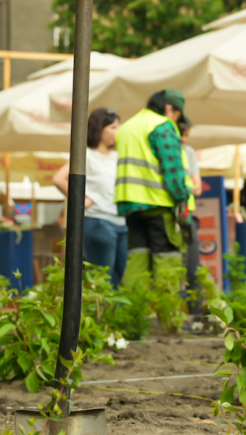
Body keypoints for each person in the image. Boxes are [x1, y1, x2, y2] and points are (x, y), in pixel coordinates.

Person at [113, 89, 192, 290]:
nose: (176, 120)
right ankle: (168, 313)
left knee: (137, 259)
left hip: (130, 205)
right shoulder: (161, 126)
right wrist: (182, 199)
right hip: (158, 203)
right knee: (167, 259)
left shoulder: (127, 127)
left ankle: (134, 312)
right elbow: (172, 170)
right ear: (169, 108)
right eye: (177, 114)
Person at [53, 107, 127, 286]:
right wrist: (82, 201)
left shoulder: (118, 156)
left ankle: (116, 314)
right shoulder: (86, 155)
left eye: (118, 127)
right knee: (102, 280)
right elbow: (58, 179)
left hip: (122, 223)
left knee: (124, 278)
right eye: (113, 127)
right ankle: (99, 313)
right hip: (98, 220)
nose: (118, 132)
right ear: (99, 129)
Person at [179, 116, 205, 318]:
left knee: (193, 265)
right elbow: (193, 186)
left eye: (187, 135)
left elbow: (198, 188)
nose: (185, 139)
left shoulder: (188, 153)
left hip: (187, 216)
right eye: (183, 134)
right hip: (167, 215)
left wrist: (182, 188)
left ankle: (195, 312)